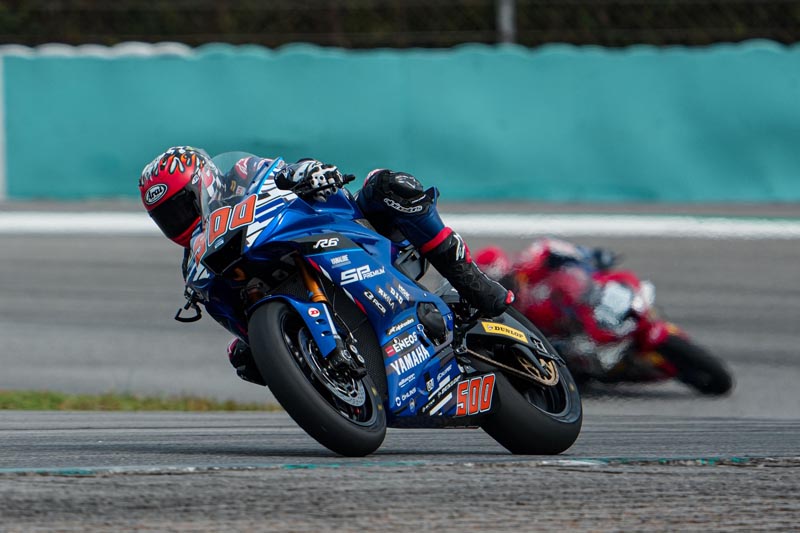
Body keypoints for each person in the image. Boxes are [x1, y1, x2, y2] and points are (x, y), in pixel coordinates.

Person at [139, 146, 514, 385]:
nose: (177, 219)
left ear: (202, 183)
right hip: (285, 285)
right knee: (243, 358)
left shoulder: (237, 175)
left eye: (181, 204)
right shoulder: (195, 261)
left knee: (389, 186)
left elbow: (278, 171)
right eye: (166, 216)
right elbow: (227, 312)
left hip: (338, 225)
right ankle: (330, 373)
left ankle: (469, 279)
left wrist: (308, 172)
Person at [475, 238, 622, 348]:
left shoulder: (527, 264)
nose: (504, 288)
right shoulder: (506, 313)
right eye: (496, 286)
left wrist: (588, 256)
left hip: (588, 294)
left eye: (504, 281)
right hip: (574, 334)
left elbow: (547, 245)